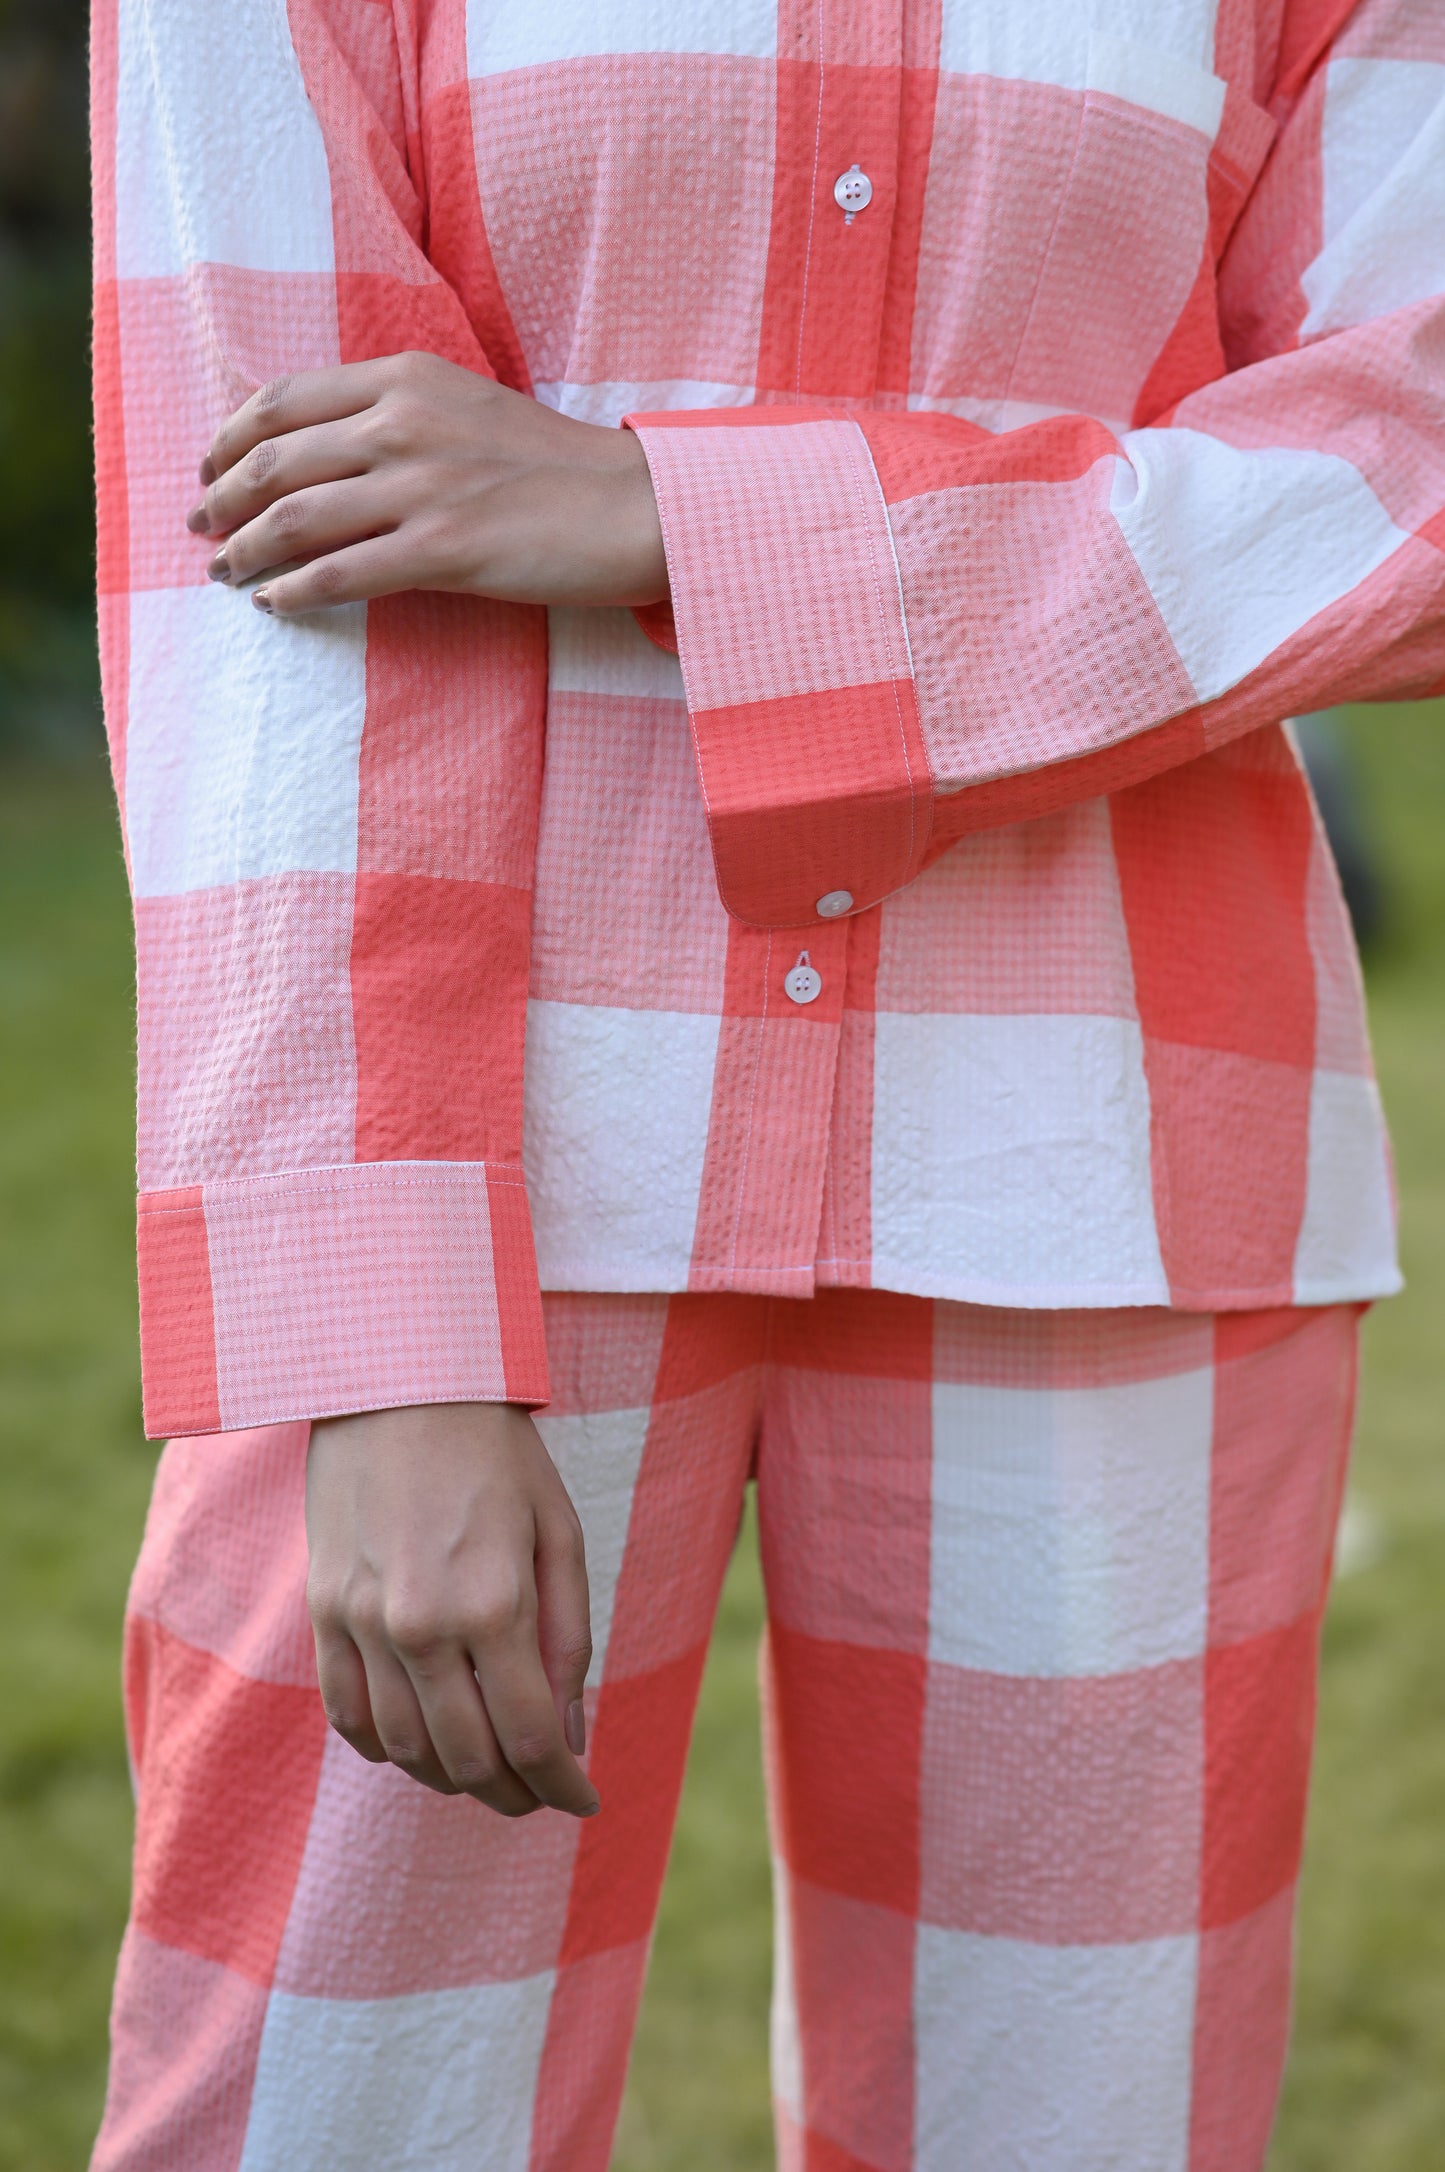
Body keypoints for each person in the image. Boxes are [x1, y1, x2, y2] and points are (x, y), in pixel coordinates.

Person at [88, 2, 1441, 2167]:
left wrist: (686, 520)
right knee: (335, 2122)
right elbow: (261, 539)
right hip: (478, 1159)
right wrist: (374, 1317)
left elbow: (1417, 444)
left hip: (1111, 1150)